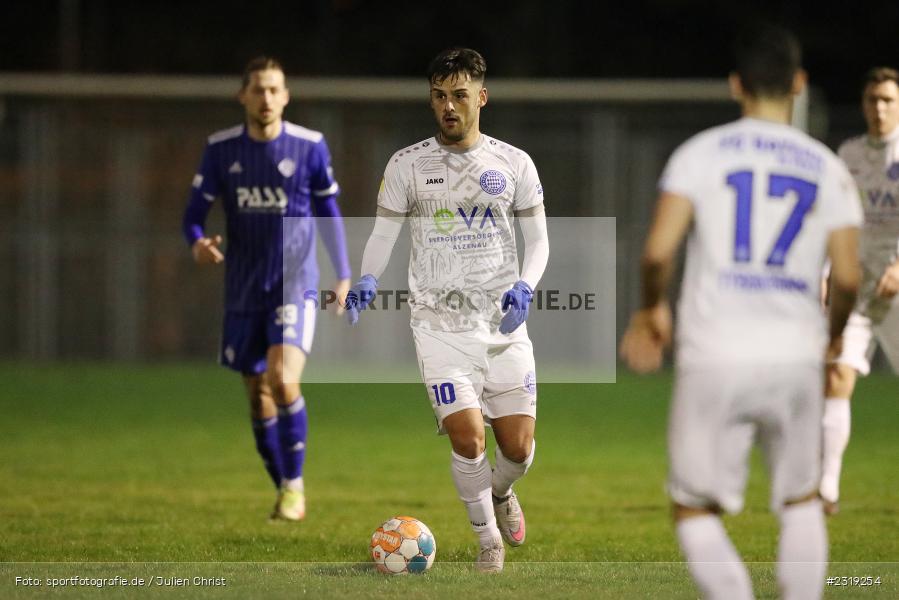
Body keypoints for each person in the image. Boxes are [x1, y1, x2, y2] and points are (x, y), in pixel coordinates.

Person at [619, 26, 862, 600]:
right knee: (802, 501)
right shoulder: (828, 167)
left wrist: (652, 310)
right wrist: (832, 339)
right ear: (799, 85)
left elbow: (657, 251)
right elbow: (848, 278)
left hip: (715, 353)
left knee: (694, 509)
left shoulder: (700, 154)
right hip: (796, 354)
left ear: (736, 85)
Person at [344, 47, 549, 572]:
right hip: (438, 326)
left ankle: (502, 494)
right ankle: (488, 542)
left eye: (459, 95)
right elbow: (383, 234)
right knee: (467, 436)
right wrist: (369, 275)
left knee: (519, 450)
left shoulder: (514, 162)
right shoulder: (408, 164)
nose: (448, 107)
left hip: (502, 326)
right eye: (439, 96)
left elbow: (540, 242)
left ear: (481, 96)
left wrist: (525, 287)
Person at [182, 56, 351, 521]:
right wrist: (197, 243)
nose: (267, 98)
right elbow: (192, 215)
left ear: (286, 96)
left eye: (275, 89)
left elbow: (329, 212)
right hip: (243, 286)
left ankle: (295, 486)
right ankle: (284, 486)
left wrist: (342, 273)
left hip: (294, 282)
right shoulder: (221, 150)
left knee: (282, 379)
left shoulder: (309, 147)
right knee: (257, 391)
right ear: (243, 95)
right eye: (258, 89)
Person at [819, 67, 899, 515]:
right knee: (836, 375)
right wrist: (828, 268)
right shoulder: (848, 154)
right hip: (859, 286)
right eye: (872, 100)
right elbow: (837, 220)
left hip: (897, 284)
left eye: (887, 99)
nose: (879, 108)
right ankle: (827, 488)